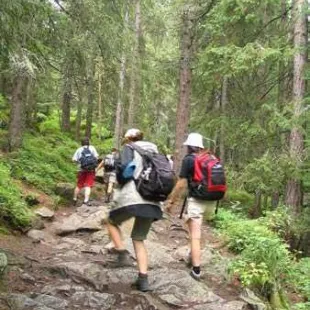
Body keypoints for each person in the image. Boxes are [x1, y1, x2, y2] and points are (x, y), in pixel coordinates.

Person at [105, 128, 162, 292]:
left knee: (110, 221)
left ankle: (122, 253)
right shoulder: (154, 152)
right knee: (138, 239)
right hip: (153, 200)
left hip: (132, 197)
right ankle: (143, 279)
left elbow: (124, 171)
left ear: (129, 139)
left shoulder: (129, 148)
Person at [165, 133, 217, 281]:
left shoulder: (189, 160)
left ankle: (196, 270)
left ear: (189, 146)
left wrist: (171, 202)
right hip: (212, 201)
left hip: (197, 200)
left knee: (195, 234)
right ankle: (192, 255)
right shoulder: (211, 158)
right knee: (195, 228)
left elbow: (181, 184)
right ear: (200, 146)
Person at [72, 137, 99, 206]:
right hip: (91, 170)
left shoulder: (79, 149)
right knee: (88, 185)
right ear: (88, 142)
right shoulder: (92, 148)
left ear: (82, 143)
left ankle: (74, 199)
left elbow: (74, 160)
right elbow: (96, 157)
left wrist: (79, 162)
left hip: (81, 169)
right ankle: (86, 201)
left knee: (79, 185)